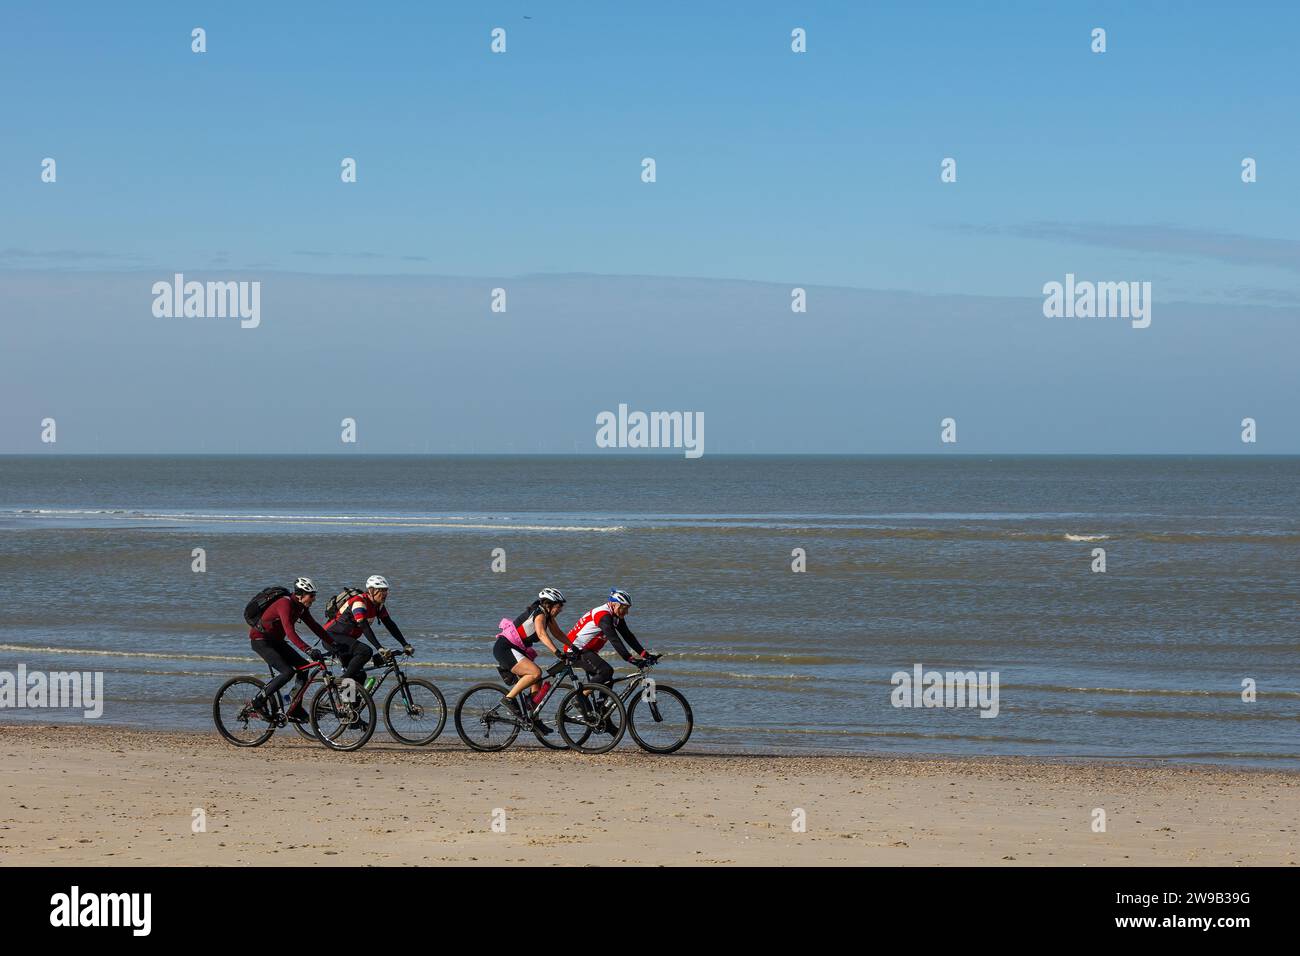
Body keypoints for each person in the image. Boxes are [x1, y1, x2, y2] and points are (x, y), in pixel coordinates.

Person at [249, 577, 330, 723]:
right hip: (261, 641)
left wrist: (334, 644)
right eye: (311, 596)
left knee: (303, 669)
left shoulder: (301, 607)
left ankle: (294, 707)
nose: (314, 599)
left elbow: (315, 626)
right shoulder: (284, 604)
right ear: (300, 594)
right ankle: (258, 701)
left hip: (276, 641)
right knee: (287, 672)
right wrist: (308, 650)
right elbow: (290, 632)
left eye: (314, 595)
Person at [493, 588, 567, 734]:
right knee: (535, 673)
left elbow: (558, 634)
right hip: (505, 648)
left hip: (517, 649)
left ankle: (534, 718)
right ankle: (508, 699)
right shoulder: (539, 614)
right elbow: (541, 634)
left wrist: (574, 647)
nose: (560, 610)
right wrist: (557, 652)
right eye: (558, 606)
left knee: (537, 681)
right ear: (549, 604)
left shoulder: (548, 616)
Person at [324, 574, 413, 688]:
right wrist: (379, 647)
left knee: (359, 675)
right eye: (381, 590)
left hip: (347, 641)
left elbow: (390, 624)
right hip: (331, 637)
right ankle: (340, 682)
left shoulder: (378, 606)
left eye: (386, 590)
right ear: (371, 591)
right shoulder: (359, 602)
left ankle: (347, 704)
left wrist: (405, 644)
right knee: (365, 651)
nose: (385, 593)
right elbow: (364, 626)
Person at [563, 588, 653, 687]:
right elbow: (614, 639)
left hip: (587, 650)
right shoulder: (603, 616)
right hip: (575, 650)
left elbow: (627, 636)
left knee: (607, 681)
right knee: (606, 671)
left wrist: (645, 655)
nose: (627, 612)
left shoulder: (615, 614)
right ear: (615, 604)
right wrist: (630, 659)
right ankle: (580, 698)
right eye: (625, 608)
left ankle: (601, 702)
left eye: (628, 608)